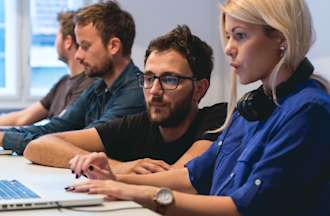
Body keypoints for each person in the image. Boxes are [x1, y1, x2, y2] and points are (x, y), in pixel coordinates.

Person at [67, 0, 330, 215]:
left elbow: (244, 208)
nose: (228, 49)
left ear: (281, 38)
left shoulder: (307, 111)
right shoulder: (254, 106)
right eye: (228, 36)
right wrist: (114, 179)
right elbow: (192, 178)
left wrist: (141, 193)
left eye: (240, 36)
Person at [23, 25, 227, 174]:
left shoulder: (218, 120)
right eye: (148, 78)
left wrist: (111, 176)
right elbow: (38, 146)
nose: (154, 90)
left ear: (199, 89)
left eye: (169, 79)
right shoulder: (138, 125)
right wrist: (118, 166)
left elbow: (177, 177)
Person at [0, 1, 145, 155]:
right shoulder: (99, 87)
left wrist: (5, 138)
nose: (78, 55)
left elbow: (71, 142)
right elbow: (55, 128)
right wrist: (3, 135)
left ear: (114, 46)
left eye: (85, 46)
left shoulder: (135, 92)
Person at [0, 11, 94, 126]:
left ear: (68, 42)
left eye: (57, 35)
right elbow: (23, 117)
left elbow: (58, 127)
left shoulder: (89, 83)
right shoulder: (63, 82)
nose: (55, 42)